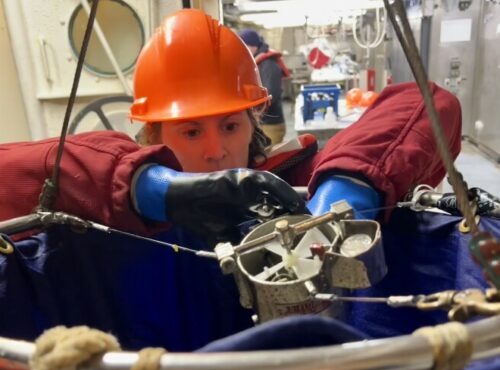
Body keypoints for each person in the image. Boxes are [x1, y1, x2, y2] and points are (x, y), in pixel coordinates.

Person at [0, 8, 461, 247]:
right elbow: (13, 172)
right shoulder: (121, 210)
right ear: (154, 136)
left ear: (253, 119)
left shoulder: (295, 183)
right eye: (192, 132)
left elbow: (431, 103)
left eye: (229, 125)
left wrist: (346, 189)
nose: (217, 151)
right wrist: (150, 188)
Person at [238, 28, 290, 146]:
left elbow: (272, 94)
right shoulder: (258, 63)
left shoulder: (268, 65)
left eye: (244, 46)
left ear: (253, 46)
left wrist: (253, 112)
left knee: (269, 160)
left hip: (271, 125)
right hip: (263, 124)